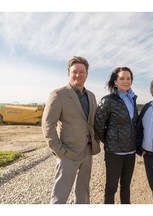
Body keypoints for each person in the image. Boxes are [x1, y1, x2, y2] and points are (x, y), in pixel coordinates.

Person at [41, 56, 100, 204]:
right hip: (68, 153)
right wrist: (59, 150)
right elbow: (47, 124)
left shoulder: (91, 96)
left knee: (83, 194)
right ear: (69, 73)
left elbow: (92, 122)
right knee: (60, 196)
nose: (78, 75)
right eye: (74, 72)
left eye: (82, 71)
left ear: (87, 74)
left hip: (87, 152)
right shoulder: (58, 94)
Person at [94, 66, 138, 204]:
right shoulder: (108, 100)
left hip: (131, 151)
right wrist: (110, 140)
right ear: (115, 82)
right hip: (114, 152)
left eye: (128, 78)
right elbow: (98, 126)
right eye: (122, 78)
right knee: (111, 188)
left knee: (126, 187)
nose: (126, 81)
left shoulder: (132, 99)